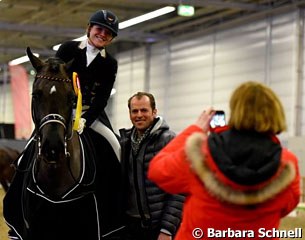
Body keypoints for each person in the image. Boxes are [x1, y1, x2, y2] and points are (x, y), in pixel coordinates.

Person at [148, 81, 301, 240]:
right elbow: (287, 206)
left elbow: (158, 171)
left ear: (236, 110)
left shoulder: (201, 152)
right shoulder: (287, 163)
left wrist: (196, 129)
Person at [56, 9, 123, 238]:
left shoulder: (110, 63)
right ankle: (19, 182)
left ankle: (118, 201)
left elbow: (103, 97)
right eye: (99, 29)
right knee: (32, 146)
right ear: (89, 28)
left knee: (116, 146)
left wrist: (86, 119)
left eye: (108, 33)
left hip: (89, 116)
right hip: (62, 112)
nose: (102, 34)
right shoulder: (67, 49)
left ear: (111, 38)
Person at [119, 92, 185, 240]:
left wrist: (167, 230)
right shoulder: (125, 142)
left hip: (157, 228)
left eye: (144, 110)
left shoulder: (169, 140)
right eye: (134, 111)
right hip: (131, 227)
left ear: (154, 112)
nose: (139, 115)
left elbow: (179, 190)